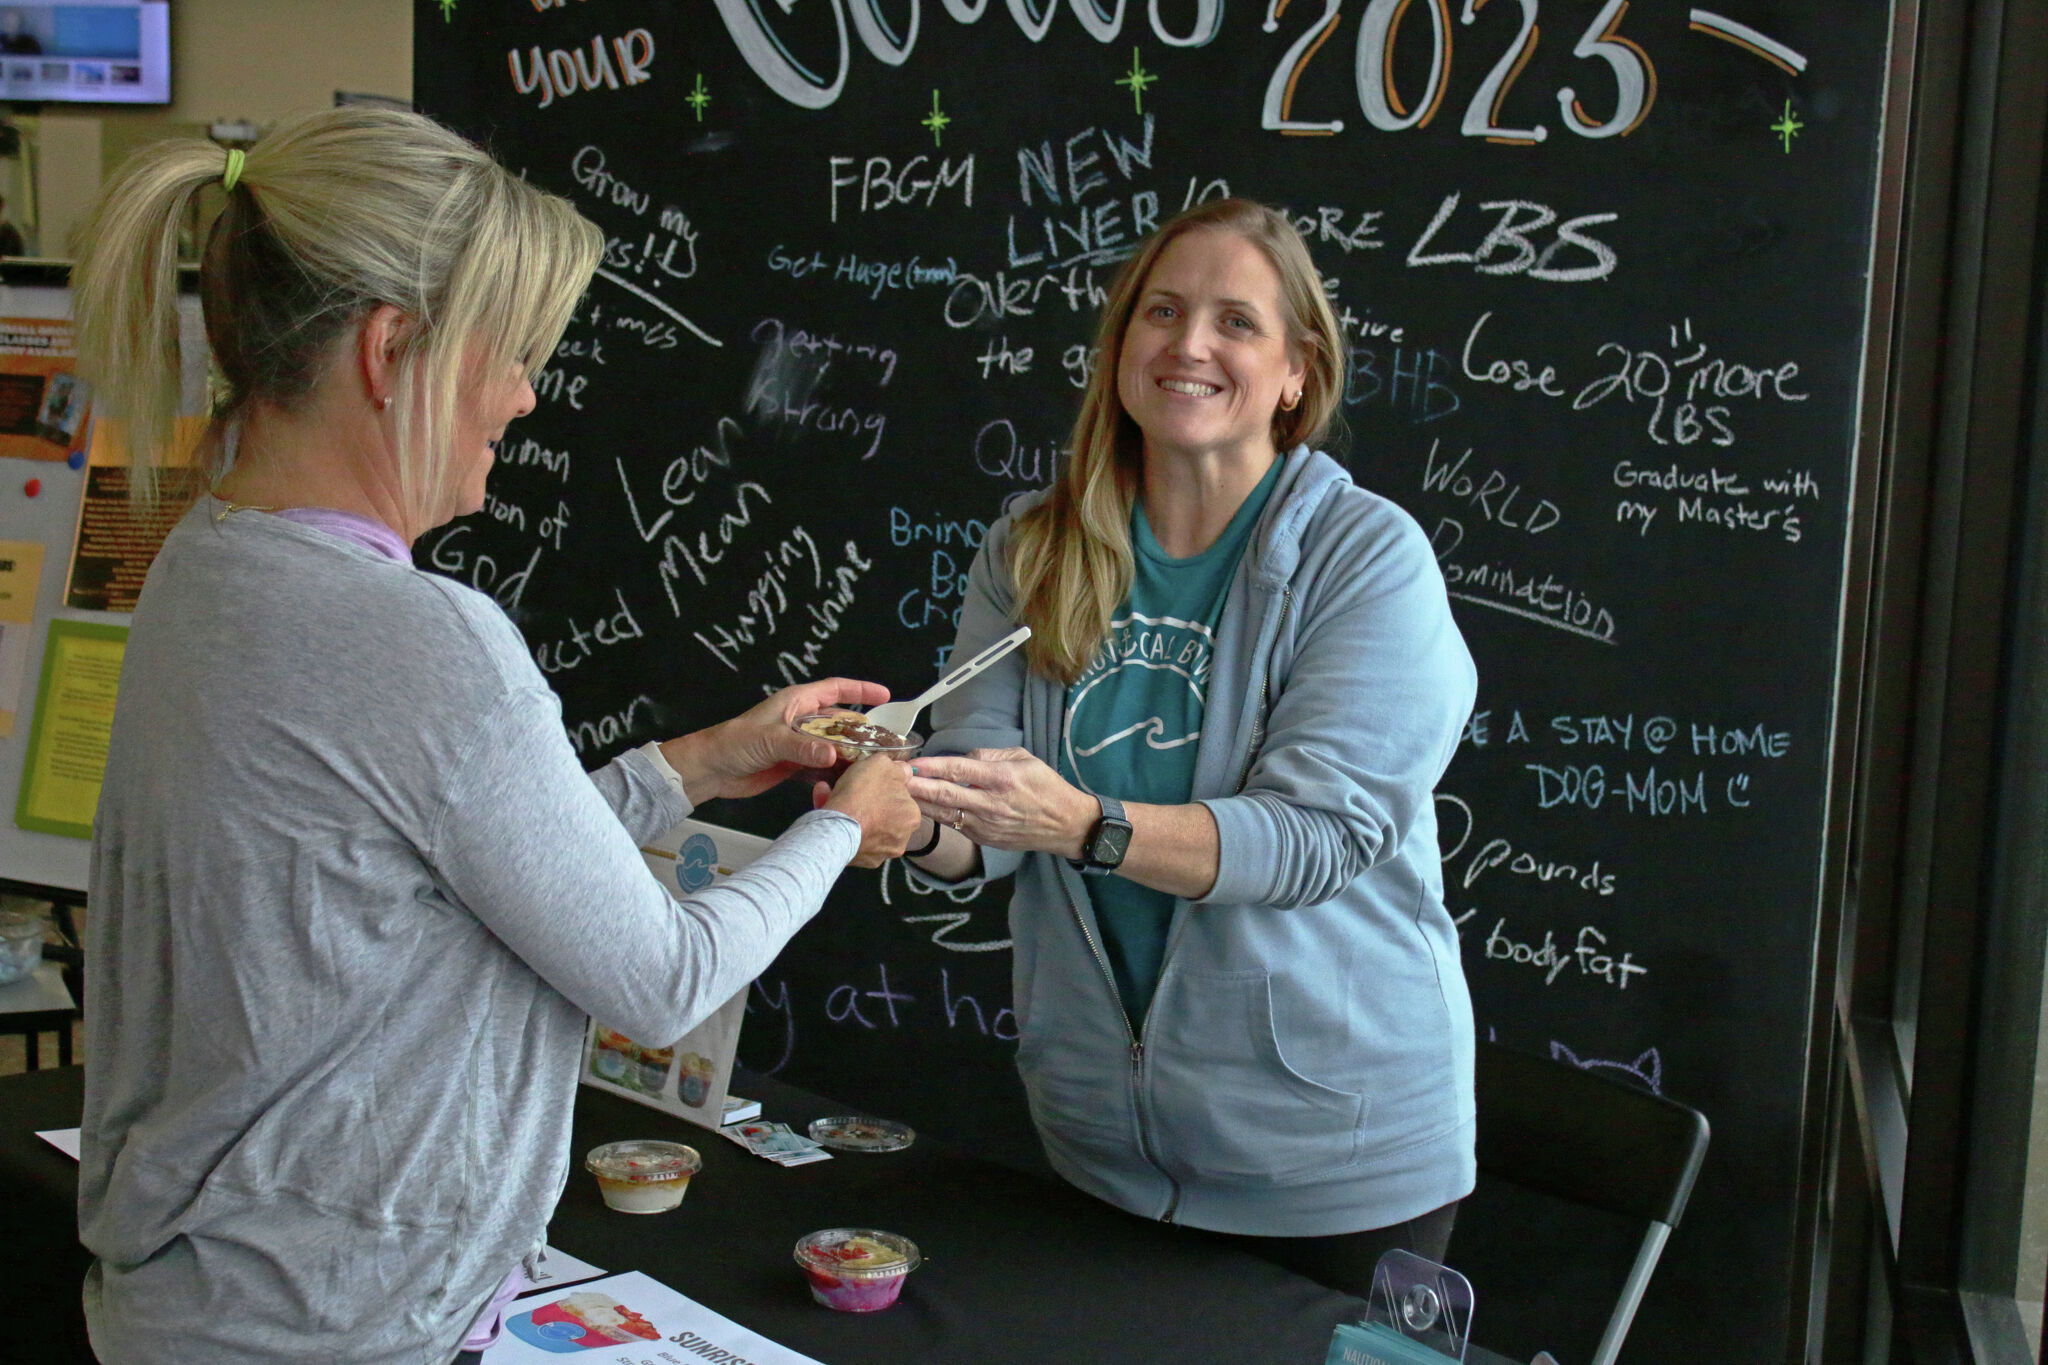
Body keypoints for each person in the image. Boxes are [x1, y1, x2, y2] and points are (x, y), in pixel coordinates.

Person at [68, 108, 921, 1365]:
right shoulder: (422, 635)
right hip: (330, 1325)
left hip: (201, 1303)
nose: (524, 397)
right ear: (391, 350)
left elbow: (429, 858)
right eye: (508, 353)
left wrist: (697, 766)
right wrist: (844, 827)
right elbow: (662, 977)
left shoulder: (210, 561)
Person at [898, 198, 1478, 1295]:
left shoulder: (1365, 559)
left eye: (1234, 322)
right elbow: (981, 815)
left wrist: (1079, 824)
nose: (1189, 344)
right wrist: (900, 814)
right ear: (1120, 347)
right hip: (1099, 1145)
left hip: (1329, 1164)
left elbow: (1315, 837)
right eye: (1159, 312)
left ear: (1297, 370)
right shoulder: (1031, 547)